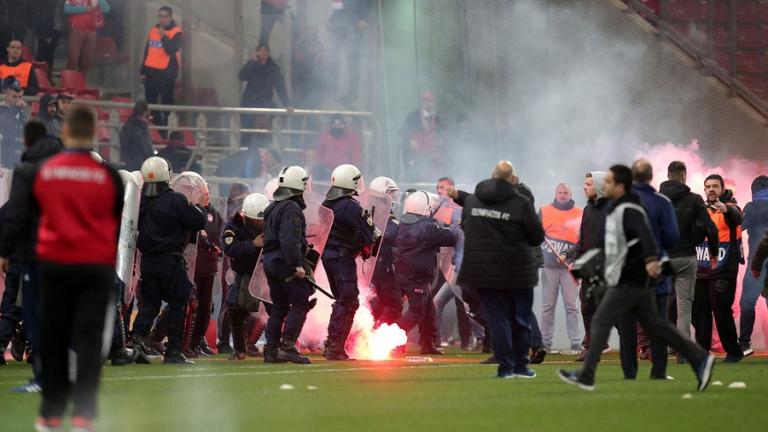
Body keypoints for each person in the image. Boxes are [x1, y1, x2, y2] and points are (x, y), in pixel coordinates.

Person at [558, 164, 715, 393]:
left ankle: (587, 374)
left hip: (632, 277)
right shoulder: (618, 207)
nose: (605, 186)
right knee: (657, 325)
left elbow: (646, 235)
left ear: (620, 186)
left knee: (602, 319)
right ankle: (699, 358)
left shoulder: (629, 208)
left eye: (609, 182)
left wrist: (651, 260)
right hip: (632, 277)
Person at [30, 105, 123, 431]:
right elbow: (114, 215)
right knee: (89, 340)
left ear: (65, 130)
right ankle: (83, 414)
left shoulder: (46, 170)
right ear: (95, 132)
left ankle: (51, 412)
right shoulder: (109, 175)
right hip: (94, 265)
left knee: (53, 336)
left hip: (55, 263)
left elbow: (38, 213)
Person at [450, 161, 543, 378]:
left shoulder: (474, 201)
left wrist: (456, 195)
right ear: (512, 179)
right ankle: (525, 358)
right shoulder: (520, 204)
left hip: (484, 270)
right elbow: (537, 236)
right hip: (514, 268)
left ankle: (505, 363)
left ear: (492, 177)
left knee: (498, 318)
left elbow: (466, 223)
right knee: (519, 314)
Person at [130, 156, 206, 365]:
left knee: (150, 304)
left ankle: (136, 343)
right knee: (177, 305)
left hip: (148, 261)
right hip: (170, 262)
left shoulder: (140, 202)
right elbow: (198, 221)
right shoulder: (176, 200)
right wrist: (200, 206)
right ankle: (172, 351)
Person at [0, 120, 61, 382]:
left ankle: (38, 367)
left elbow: (15, 215)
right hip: (60, 252)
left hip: (31, 254)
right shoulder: (62, 171)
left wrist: (4, 251)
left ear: (25, 140)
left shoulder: (26, 171)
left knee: (22, 307)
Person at [617, 159, 679, 381]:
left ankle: (629, 372)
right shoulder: (662, 202)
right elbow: (672, 237)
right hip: (656, 272)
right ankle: (659, 371)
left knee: (627, 323)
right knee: (657, 322)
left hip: (626, 272)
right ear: (651, 176)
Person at [659, 161, 718, 363]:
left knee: (663, 304)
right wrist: (713, 253)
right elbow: (710, 228)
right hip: (685, 257)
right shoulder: (694, 199)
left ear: (668, 176)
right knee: (684, 307)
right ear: (684, 176)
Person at [393, 190, 458, 355]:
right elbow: (450, 237)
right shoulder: (426, 227)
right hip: (415, 276)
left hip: (408, 274)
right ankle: (391, 339)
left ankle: (428, 344)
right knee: (417, 311)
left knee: (429, 311)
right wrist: (459, 228)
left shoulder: (405, 224)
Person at [321, 164, 376, 360]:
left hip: (328, 255)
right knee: (349, 300)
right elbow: (367, 232)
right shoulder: (350, 206)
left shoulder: (327, 203)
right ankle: (335, 347)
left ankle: (331, 343)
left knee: (342, 299)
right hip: (342, 255)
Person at [262, 166, 314, 364]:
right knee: (301, 301)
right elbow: (289, 240)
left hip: (270, 261)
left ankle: (271, 350)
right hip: (284, 262)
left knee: (279, 306)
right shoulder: (291, 208)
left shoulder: (273, 207)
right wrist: (296, 265)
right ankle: (288, 346)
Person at [693, 174, 744, 362]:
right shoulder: (701, 210)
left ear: (722, 189)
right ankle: (701, 352)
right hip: (702, 269)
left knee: (721, 311)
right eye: (708, 186)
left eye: (715, 186)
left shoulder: (731, 207)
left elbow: (737, 216)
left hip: (724, 269)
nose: (711, 189)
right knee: (700, 312)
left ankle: (734, 352)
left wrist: (726, 210)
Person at [563, 171, 609, 361]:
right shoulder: (588, 210)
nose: (584, 187)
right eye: (584, 184)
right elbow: (583, 242)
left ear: (599, 185)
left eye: (589, 184)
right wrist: (575, 262)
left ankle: (638, 344)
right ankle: (592, 347)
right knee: (587, 308)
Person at [222, 193, 269, 360]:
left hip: (267, 272)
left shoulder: (270, 221)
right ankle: (240, 349)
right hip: (244, 274)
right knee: (234, 308)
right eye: (255, 220)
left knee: (273, 310)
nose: (259, 223)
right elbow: (230, 249)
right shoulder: (233, 227)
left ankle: (274, 346)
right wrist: (252, 244)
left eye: (261, 220)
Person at [539, 183, 583, 354]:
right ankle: (545, 343)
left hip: (569, 267)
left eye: (565, 193)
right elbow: (536, 235)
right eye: (560, 192)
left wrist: (573, 260)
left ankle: (575, 342)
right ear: (555, 194)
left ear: (570, 194)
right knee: (548, 306)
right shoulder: (544, 211)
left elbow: (583, 240)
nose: (563, 195)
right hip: (549, 267)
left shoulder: (580, 213)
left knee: (571, 306)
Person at [186, 182, 223, 357]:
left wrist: (218, 247)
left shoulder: (214, 213)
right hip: (192, 267)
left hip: (208, 267)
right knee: (191, 305)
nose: (206, 195)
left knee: (206, 307)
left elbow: (221, 235)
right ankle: (186, 342)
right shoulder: (191, 212)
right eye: (203, 193)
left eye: (208, 192)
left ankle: (196, 341)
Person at [217, 182, 251, 354]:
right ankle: (223, 341)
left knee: (240, 302)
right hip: (231, 262)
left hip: (238, 260)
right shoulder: (232, 213)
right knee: (229, 302)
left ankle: (241, 342)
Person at [239, 44, 291, 148]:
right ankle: (244, 151)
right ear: (257, 52)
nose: (263, 53)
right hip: (250, 102)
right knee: (246, 129)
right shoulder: (252, 65)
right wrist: (251, 63)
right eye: (260, 50)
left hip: (265, 102)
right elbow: (242, 76)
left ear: (268, 53)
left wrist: (287, 104)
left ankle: (266, 150)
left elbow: (280, 87)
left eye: (265, 50)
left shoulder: (273, 68)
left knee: (266, 130)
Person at [738, 175, 768, 357]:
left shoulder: (752, 208)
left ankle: (743, 344)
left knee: (748, 302)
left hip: (756, 263)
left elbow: (738, 227)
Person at [141, 6, 182, 134]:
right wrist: (143, 71)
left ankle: (169, 131)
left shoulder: (177, 32)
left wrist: (164, 36)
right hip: (152, 71)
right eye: (160, 16)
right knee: (151, 103)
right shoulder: (154, 30)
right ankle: (159, 131)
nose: (162, 19)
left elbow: (171, 50)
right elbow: (148, 51)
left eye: (165, 16)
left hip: (166, 73)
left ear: (170, 17)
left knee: (167, 102)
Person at [368, 176, 402, 324]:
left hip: (382, 267)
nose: (393, 196)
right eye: (390, 193)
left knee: (384, 303)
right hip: (376, 269)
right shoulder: (375, 214)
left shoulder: (379, 212)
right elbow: (391, 234)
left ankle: (370, 334)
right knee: (388, 303)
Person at [327, 0, 370, 105]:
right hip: (339, 23)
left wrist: (364, 18)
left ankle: (353, 93)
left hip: (354, 21)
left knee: (352, 58)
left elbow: (367, 2)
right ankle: (333, 89)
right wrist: (332, 20)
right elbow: (337, 6)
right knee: (332, 56)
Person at [400, 92, 441, 181]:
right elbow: (404, 130)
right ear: (422, 103)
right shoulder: (413, 115)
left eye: (430, 101)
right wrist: (410, 139)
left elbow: (441, 133)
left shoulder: (436, 118)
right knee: (414, 175)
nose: (428, 103)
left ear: (433, 103)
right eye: (426, 101)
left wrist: (439, 139)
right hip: (415, 152)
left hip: (430, 152)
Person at [64, 0, 111, 78]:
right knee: (73, 60)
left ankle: (81, 86)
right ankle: (68, 85)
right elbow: (67, 9)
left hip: (92, 31)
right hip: (77, 28)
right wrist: (85, 9)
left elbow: (107, 9)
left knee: (86, 62)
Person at [31, 0, 66, 75]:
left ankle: (48, 77)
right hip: (45, 30)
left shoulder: (61, 2)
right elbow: (39, 14)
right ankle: (38, 76)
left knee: (50, 55)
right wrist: (46, 33)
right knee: (41, 54)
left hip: (57, 30)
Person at [119, 100, 155, 171]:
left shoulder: (126, 126)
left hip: (128, 163)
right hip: (140, 164)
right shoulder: (142, 127)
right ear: (146, 112)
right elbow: (147, 148)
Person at [0, 76, 26, 167]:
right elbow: (6, 128)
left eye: (20, 97)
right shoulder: (2, 110)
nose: (18, 100)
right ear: (7, 96)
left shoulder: (22, 112)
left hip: (18, 158)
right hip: (3, 160)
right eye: (14, 97)